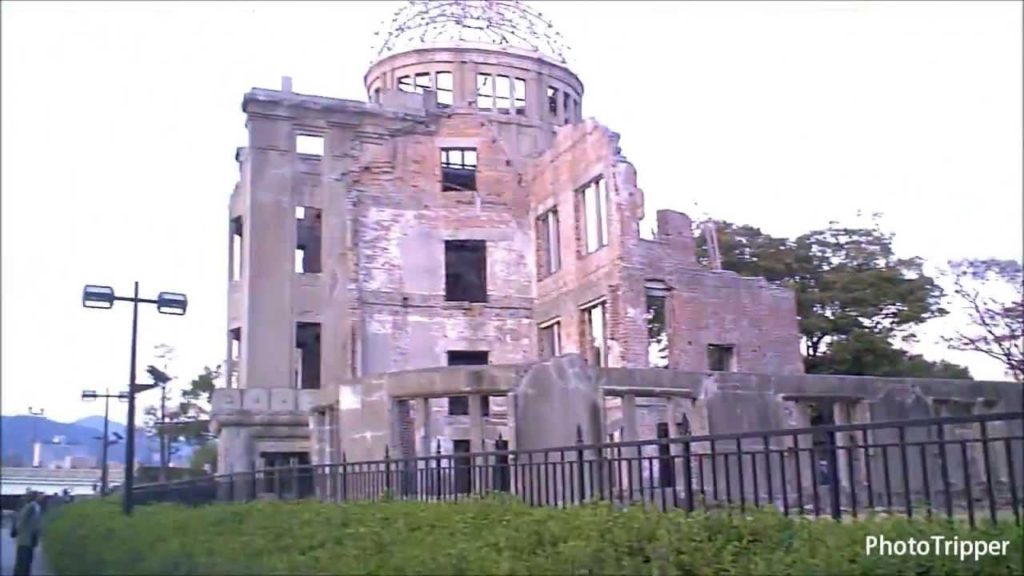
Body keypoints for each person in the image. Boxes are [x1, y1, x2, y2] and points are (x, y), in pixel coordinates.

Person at [10, 491, 43, 576]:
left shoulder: (33, 506)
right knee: (24, 561)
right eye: (39, 495)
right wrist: (18, 530)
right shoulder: (32, 506)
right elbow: (22, 520)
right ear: (35, 497)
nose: (41, 497)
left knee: (25, 561)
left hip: (27, 538)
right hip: (26, 538)